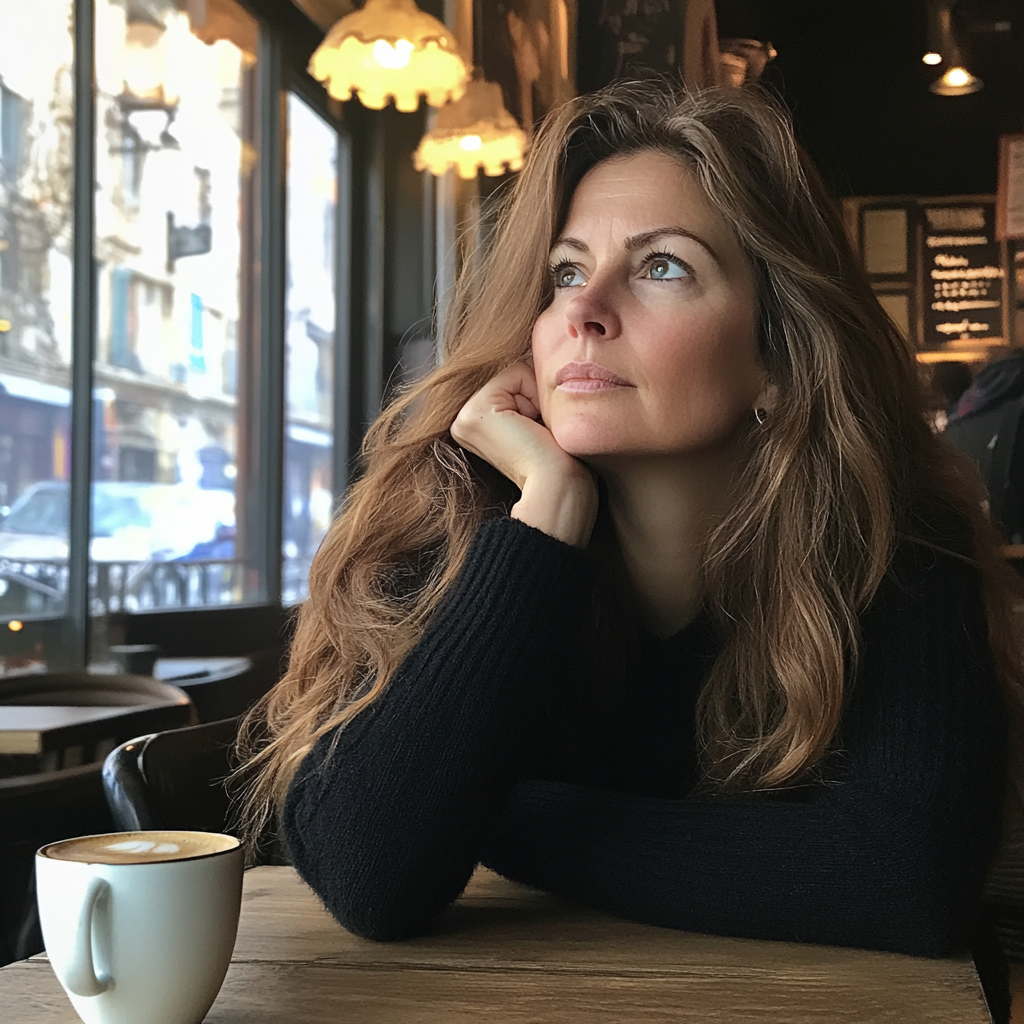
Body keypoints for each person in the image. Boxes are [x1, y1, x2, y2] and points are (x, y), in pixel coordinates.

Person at [236, 83, 1023, 1019]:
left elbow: (906, 877)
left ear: (778, 358)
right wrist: (545, 523)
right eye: (567, 273)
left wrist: (499, 813)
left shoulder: (895, 544)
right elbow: (369, 871)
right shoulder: (453, 526)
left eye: (662, 269)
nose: (586, 312)